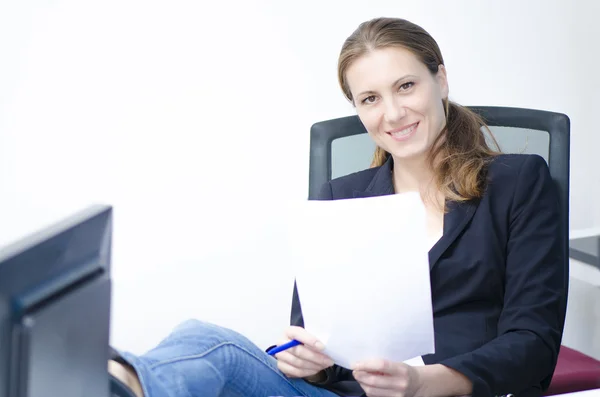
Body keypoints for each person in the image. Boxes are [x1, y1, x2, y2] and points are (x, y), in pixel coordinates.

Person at [108, 16, 566, 397]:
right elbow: (315, 342)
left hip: (450, 392)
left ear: (440, 80)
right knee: (208, 346)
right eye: (370, 99)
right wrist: (308, 362)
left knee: (215, 354)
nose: (393, 113)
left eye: (406, 86)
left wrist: (419, 383)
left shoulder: (518, 182)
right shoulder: (338, 198)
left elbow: (532, 345)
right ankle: (120, 383)